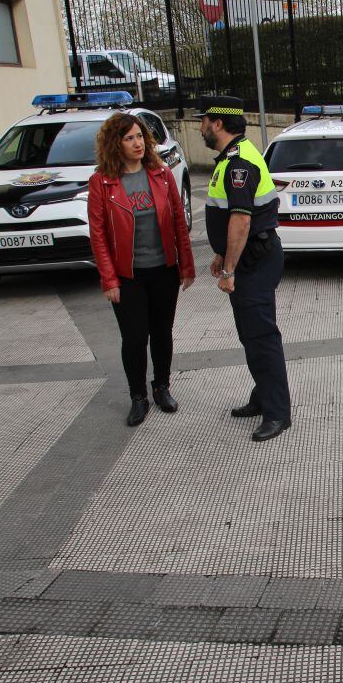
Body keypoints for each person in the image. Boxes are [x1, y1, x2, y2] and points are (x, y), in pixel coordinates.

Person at [88, 113, 196, 426]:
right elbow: (99, 235)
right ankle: (138, 396)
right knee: (135, 338)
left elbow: (178, 223)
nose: (137, 143)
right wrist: (109, 278)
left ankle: (161, 386)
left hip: (163, 270)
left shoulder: (160, 175)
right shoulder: (102, 182)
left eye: (139, 137)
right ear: (115, 144)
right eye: (128, 138)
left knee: (162, 333)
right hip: (127, 275)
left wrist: (186, 266)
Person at [196, 95, 292, 442]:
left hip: (255, 262)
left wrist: (229, 269)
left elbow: (240, 221)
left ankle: (278, 413)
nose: (201, 126)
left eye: (204, 120)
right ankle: (263, 397)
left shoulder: (240, 165)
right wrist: (222, 254)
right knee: (252, 336)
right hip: (251, 258)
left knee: (262, 338)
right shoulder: (233, 157)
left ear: (218, 124)